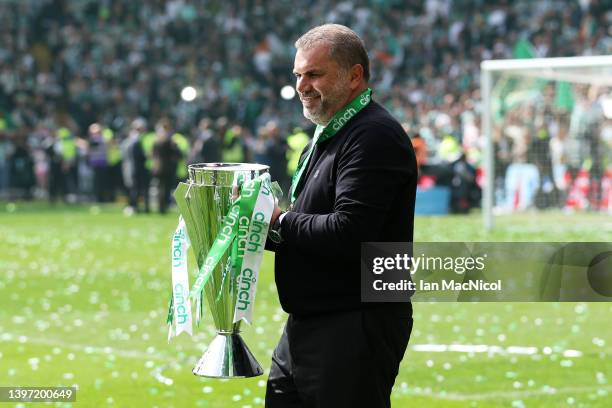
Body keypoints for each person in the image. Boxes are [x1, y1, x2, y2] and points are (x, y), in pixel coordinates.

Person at [264, 24, 417, 408]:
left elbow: (350, 231)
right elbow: (309, 232)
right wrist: (247, 230)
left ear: (354, 76)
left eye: (314, 74)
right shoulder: (328, 134)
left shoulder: (374, 135)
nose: (302, 85)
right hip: (310, 321)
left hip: (355, 322)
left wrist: (279, 221)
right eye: (298, 75)